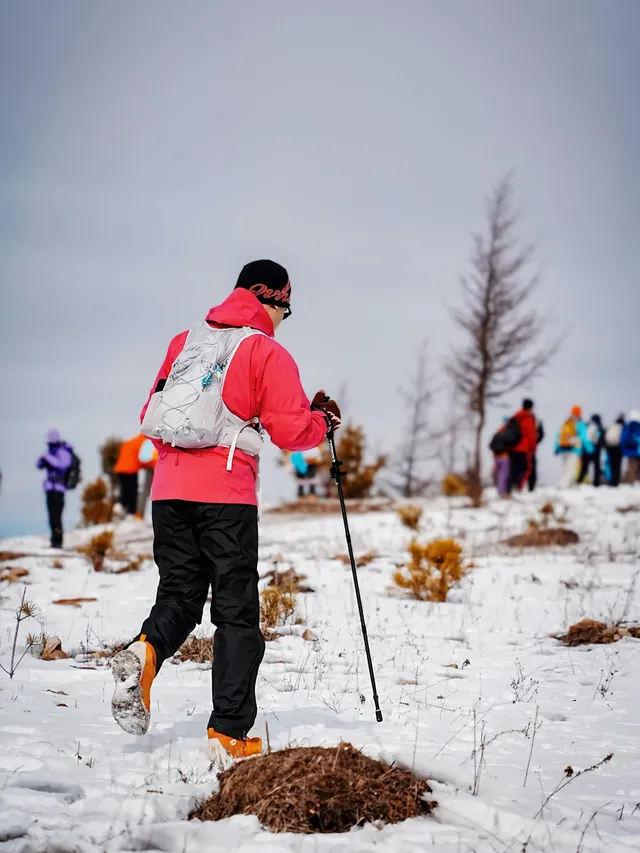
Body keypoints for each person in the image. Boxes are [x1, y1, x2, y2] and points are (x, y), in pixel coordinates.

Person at [110, 260, 341, 763]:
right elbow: (288, 430)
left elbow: (152, 408)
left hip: (168, 491)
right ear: (269, 296)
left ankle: (144, 653)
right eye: (287, 305)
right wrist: (321, 421)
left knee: (180, 594)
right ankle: (230, 734)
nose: (286, 316)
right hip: (225, 495)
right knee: (236, 613)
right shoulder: (265, 350)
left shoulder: (184, 342)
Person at [37, 429, 73, 548]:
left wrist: (48, 459)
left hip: (59, 489)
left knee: (57, 515)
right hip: (49, 488)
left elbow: (62, 465)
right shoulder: (50, 453)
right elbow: (38, 465)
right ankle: (53, 540)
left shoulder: (64, 452)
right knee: (51, 516)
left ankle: (58, 541)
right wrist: (43, 459)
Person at [555, 406, 593, 488]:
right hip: (574, 450)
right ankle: (560, 487)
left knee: (567, 470)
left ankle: (570, 488)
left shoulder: (566, 422)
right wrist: (590, 449)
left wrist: (556, 448)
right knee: (571, 471)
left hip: (562, 449)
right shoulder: (579, 424)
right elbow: (584, 438)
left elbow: (558, 435)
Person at [508, 399, 538, 492]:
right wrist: (533, 448)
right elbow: (531, 434)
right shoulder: (529, 418)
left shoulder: (516, 416)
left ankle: (511, 487)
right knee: (526, 468)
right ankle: (518, 487)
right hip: (524, 448)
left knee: (514, 469)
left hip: (512, 447)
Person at [113, 434, 146, 516]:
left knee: (124, 491)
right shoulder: (143, 442)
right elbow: (144, 457)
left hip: (120, 469)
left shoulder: (131, 441)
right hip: (130, 469)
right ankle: (131, 513)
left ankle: (121, 508)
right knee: (132, 492)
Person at [578, 414, 605, 486]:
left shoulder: (587, 426)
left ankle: (579, 482)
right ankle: (596, 484)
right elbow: (602, 440)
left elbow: (583, 438)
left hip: (587, 450)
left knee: (584, 467)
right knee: (596, 467)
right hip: (596, 451)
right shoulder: (599, 427)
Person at [137, 438, 158, 519]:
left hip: (159, 467)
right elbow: (142, 457)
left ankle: (140, 513)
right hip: (152, 468)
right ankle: (140, 513)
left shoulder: (148, 441)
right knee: (146, 491)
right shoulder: (149, 442)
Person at [605, 415, 625, 487]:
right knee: (617, 466)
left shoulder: (612, 426)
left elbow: (606, 437)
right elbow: (623, 439)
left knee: (611, 465)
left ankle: (611, 481)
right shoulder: (622, 427)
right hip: (617, 448)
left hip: (610, 447)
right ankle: (615, 482)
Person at [621, 410, 640, 483]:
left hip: (630, 451)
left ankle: (631, 483)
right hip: (638, 450)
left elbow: (623, 439)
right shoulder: (638, 426)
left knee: (631, 468)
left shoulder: (628, 426)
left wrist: (623, 450)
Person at [527, 416, 545, 492]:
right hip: (529, 451)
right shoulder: (533, 428)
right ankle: (530, 487)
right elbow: (540, 437)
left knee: (528, 469)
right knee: (531, 469)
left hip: (525, 451)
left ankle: (529, 487)